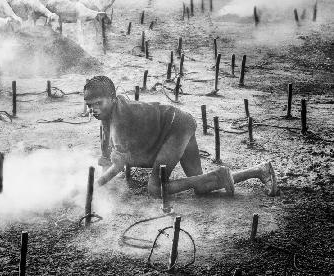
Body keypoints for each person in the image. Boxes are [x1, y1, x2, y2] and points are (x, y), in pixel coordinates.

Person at [84, 75, 277, 197]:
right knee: (202, 185)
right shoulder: (109, 113)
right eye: (90, 105)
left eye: (98, 103)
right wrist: (101, 178)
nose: (94, 109)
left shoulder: (120, 120)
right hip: (180, 122)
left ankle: (220, 174)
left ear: (112, 98)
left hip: (176, 127)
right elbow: (107, 153)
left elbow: (118, 164)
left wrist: (92, 188)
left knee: (155, 189)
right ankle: (260, 170)